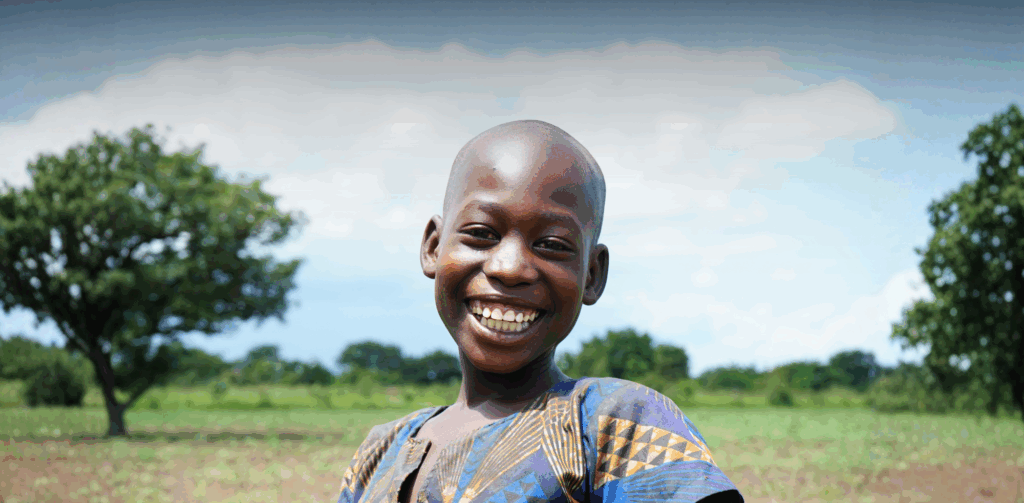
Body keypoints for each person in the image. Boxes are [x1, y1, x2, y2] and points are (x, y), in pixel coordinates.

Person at [337, 120, 744, 503]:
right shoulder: (380, 452)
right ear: (432, 247)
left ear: (591, 275)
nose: (509, 268)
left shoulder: (614, 424)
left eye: (551, 244)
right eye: (481, 234)